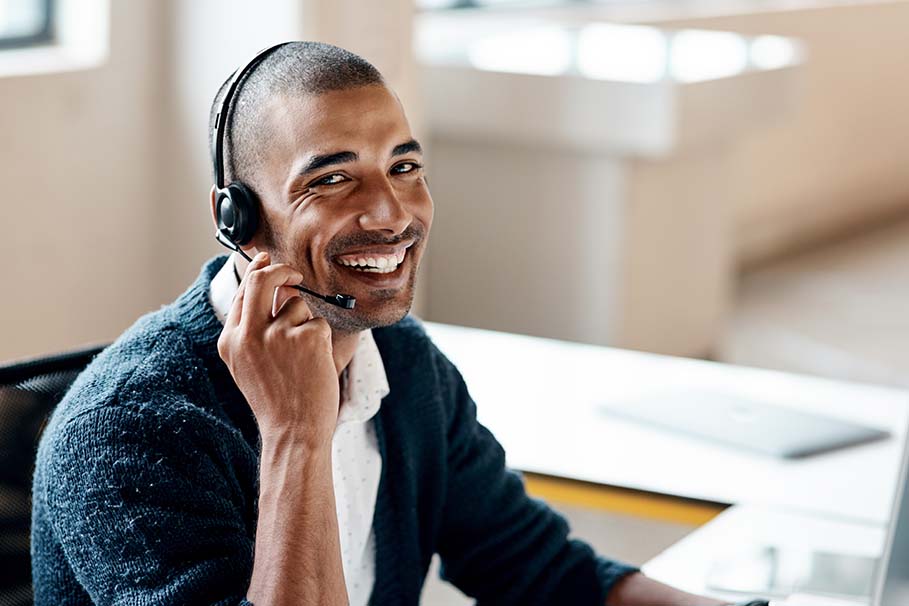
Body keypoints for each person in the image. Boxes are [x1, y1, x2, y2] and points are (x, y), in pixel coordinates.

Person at [31, 42, 759, 606]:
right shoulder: (130, 429)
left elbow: (542, 572)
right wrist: (294, 433)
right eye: (331, 178)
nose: (390, 213)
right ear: (240, 219)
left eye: (404, 167)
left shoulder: (403, 364)